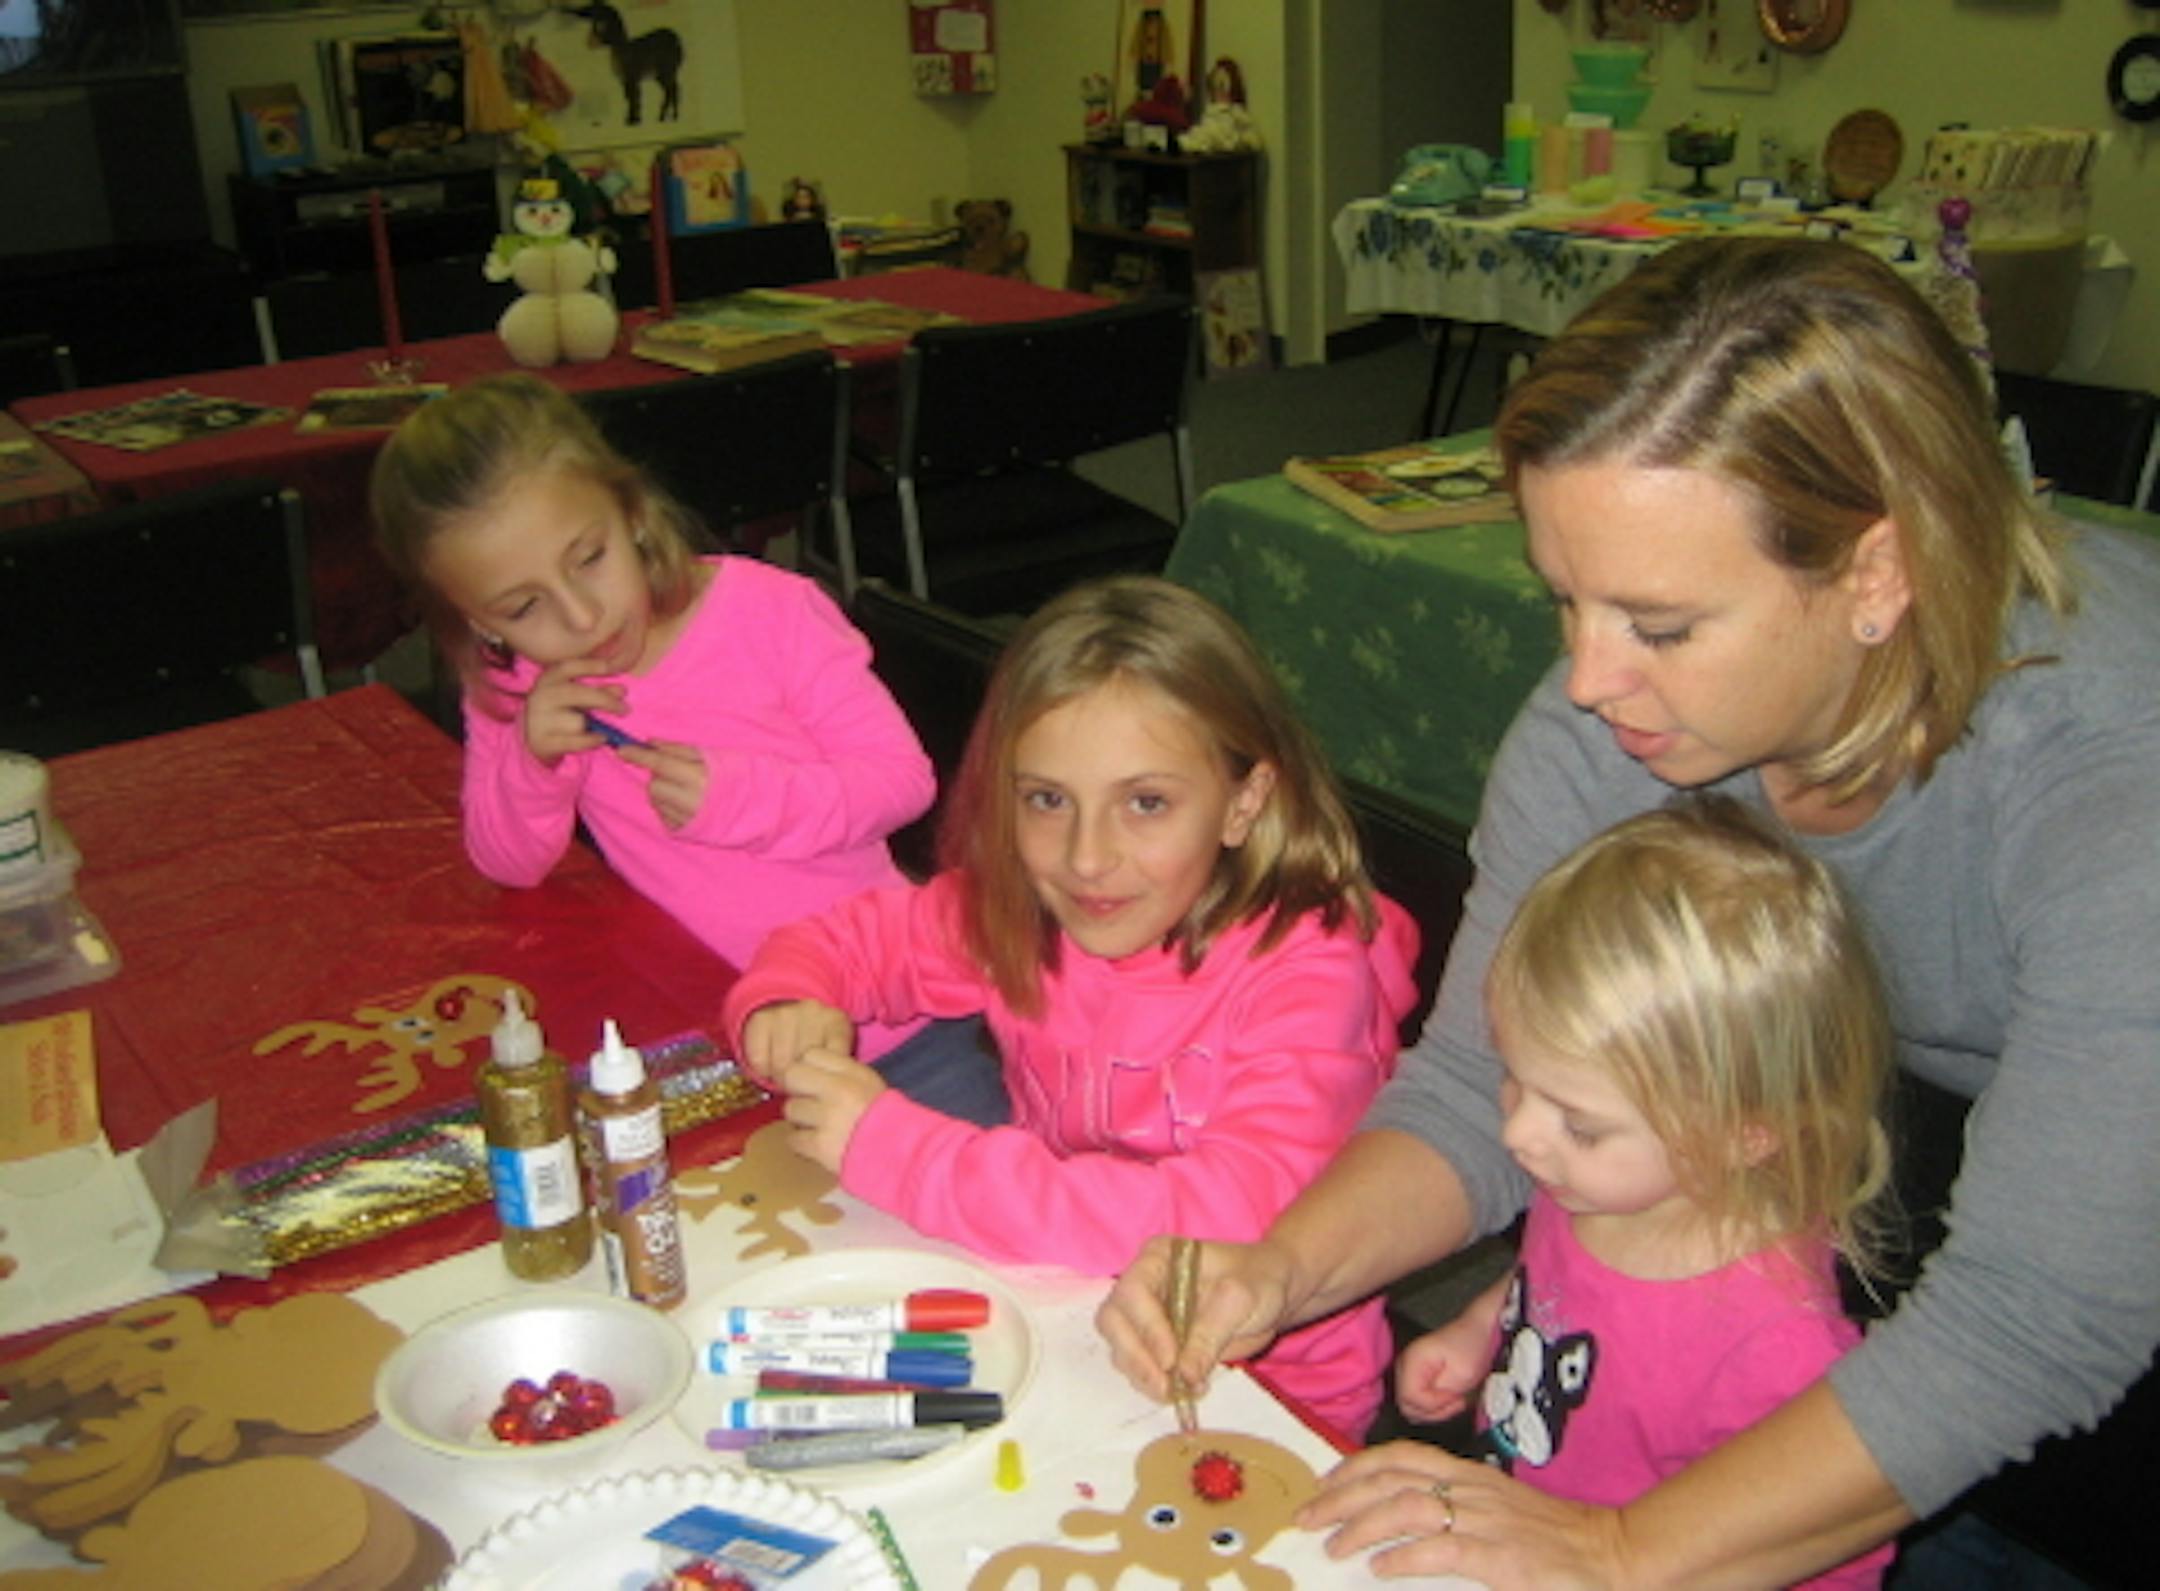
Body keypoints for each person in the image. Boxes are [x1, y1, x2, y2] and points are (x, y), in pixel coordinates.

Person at [1097, 234, 2160, 1588]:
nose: (1587, 678)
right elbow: (1480, 1079)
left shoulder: (2113, 780)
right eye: (1565, 597)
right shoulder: (1617, 722)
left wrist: (1619, 1549)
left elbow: (2034, 1320)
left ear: (1877, 574)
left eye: (1659, 622)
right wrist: (1278, 1266)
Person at [722, 575, 1421, 1439]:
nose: (1088, 858)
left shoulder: (1307, 974)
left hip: (1264, 1392)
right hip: (1069, 1308)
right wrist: (789, 997)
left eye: (1147, 802)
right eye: (1047, 800)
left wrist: (908, 1154)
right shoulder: (1028, 906)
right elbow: (853, 940)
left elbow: (1231, 1216)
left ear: (1244, 801)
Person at [370, 372, 1005, 1123]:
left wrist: (741, 798)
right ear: (478, 624)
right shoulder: (517, 688)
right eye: (523, 606)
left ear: (632, 513)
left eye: (590, 557)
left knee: (972, 1217)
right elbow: (507, 861)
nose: (579, 616)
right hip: (713, 1036)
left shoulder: (767, 612)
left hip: (893, 1027)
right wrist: (533, 763)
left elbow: (901, 780)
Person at [1401, 796, 1895, 1588]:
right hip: (1510, 1526)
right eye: (1514, 1080)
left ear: (1745, 1132)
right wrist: (1478, 1327)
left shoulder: (1779, 1349)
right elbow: (1556, 1284)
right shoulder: (1600, 1185)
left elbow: (1832, 1549)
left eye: (1581, 1122)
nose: (1521, 1135)